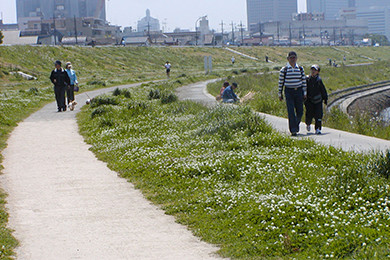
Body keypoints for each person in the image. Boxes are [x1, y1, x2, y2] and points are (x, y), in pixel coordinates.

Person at [278, 51, 307, 136]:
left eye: (294, 57)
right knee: (291, 111)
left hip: (298, 91)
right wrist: (280, 94)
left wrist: (305, 92)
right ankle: (293, 130)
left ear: (296, 58)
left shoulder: (300, 69)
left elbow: (303, 81)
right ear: (288, 59)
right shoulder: (284, 69)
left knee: (300, 111)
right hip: (289, 91)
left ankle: (296, 124)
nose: (292, 59)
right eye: (291, 58)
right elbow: (281, 82)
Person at [305, 65, 328, 135]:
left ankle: (318, 129)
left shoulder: (319, 80)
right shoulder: (307, 79)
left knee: (318, 115)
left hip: (318, 101)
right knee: (309, 114)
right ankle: (308, 124)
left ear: (317, 72)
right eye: (312, 70)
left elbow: (323, 90)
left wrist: (325, 98)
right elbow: (304, 88)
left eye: (315, 70)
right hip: (309, 100)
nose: (313, 71)